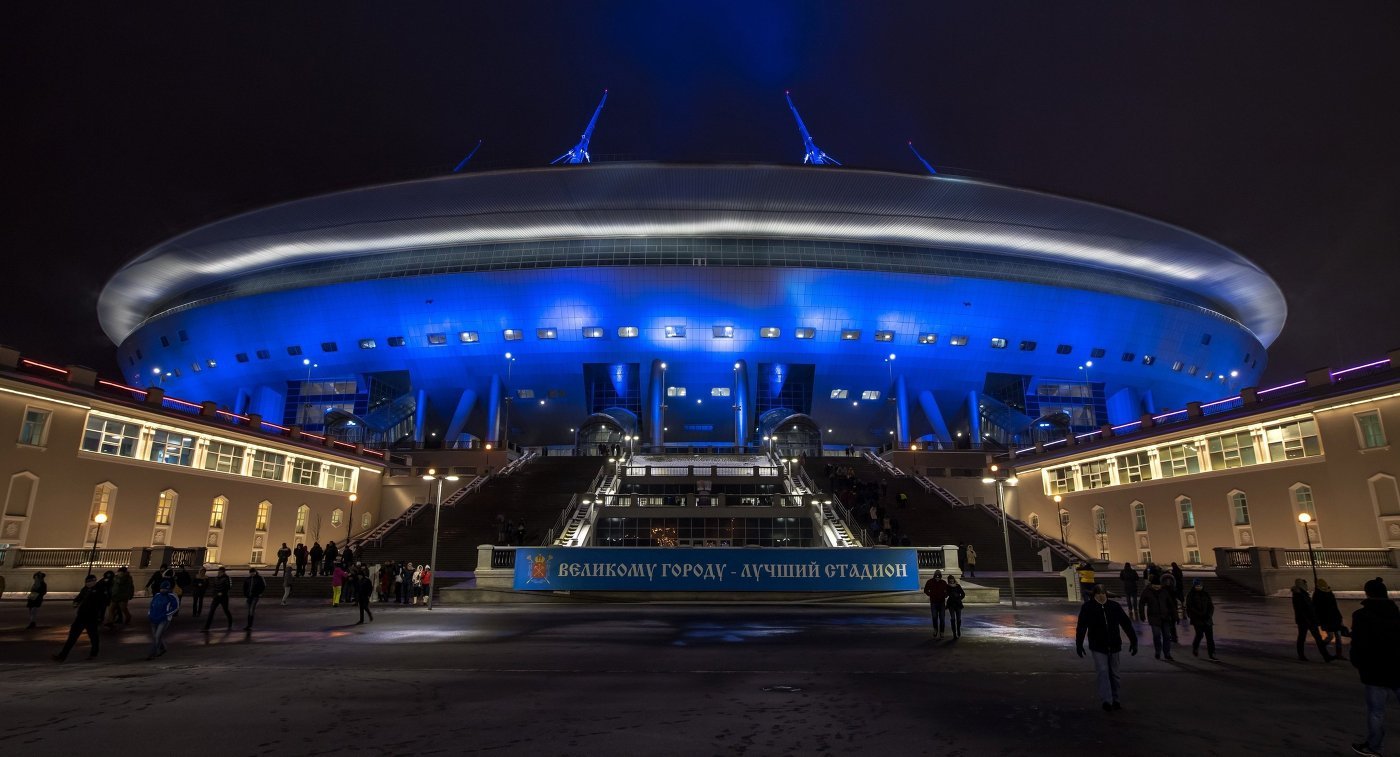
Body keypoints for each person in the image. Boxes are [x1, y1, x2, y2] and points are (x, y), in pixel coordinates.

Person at [1349, 577, 1400, 757]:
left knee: (1376, 713)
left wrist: (1358, 662)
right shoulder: (1396, 614)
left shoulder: (1361, 616)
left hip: (1375, 672)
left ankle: (1374, 747)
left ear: (1368, 593)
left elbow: (1358, 645)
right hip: (1397, 669)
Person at [1076, 583, 1138, 711]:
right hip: (1097, 645)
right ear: (1094, 595)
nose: (1101, 596)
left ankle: (1115, 699)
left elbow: (1126, 624)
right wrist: (1079, 643)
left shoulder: (1114, 607)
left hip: (1114, 645)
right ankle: (1107, 700)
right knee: (1103, 671)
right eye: (1098, 593)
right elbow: (1082, 626)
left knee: (1114, 674)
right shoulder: (1088, 607)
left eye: (1103, 593)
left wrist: (1133, 640)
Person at [53, 575, 107, 662]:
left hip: (91, 617)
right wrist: (76, 602)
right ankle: (62, 656)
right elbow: (79, 598)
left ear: (94, 581)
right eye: (87, 582)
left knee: (93, 637)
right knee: (72, 637)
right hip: (81, 616)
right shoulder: (85, 589)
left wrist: (100, 617)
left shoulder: (99, 590)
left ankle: (94, 654)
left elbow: (103, 604)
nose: (89, 583)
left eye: (90, 581)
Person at [1293, 578, 1334, 662]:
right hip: (1304, 621)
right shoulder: (1298, 595)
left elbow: (1309, 608)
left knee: (1317, 638)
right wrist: (1308, 619)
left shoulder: (1303, 594)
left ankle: (1326, 656)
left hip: (1310, 620)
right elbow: (1301, 610)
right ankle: (1302, 655)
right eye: (1305, 584)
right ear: (1301, 585)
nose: (1306, 586)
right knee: (1302, 638)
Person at [1139, 575, 1178, 660]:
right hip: (1154, 617)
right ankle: (1158, 651)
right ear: (1152, 585)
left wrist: (1175, 616)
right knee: (1157, 635)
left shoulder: (1164, 591)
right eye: (1155, 585)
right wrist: (1142, 614)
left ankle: (1167, 653)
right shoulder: (1147, 591)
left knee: (1167, 636)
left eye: (1158, 585)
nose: (1157, 587)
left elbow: (1171, 604)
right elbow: (1141, 603)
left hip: (1165, 617)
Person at [1184, 579, 1219, 660]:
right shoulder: (1191, 595)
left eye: (1200, 586)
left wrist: (1209, 615)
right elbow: (1190, 607)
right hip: (1197, 619)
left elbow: (1211, 606)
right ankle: (1195, 647)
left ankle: (1212, 653)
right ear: (1194, 586)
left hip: (1207, 619)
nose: (1199, 587)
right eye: (1197, 586)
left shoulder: (1206, 594)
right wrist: (1196, 615)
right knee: (1199, 635)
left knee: (1210, 637)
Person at [1314, 578, 1346, 661]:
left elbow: (1334, 606)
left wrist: (1339, 617)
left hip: (1333, 618)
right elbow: (1318, 609)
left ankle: (1338, 654)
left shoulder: (1324, 593)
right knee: (1332, 636)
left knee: (1337, 636)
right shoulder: (1319, 594)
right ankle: (1322, 647)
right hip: (1328, 619)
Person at [146, 580, 179, 660]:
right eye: (161, 588)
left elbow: (176, 607)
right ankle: (162, 649)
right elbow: (152, 605)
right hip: (154, 618)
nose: (162, 590)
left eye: (164, 588)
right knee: (156, 636)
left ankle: (153, 653)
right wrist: (150, 613)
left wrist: (167, 614)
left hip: (164, 619)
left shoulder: (172, 596)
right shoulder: (157, 595)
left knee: (157, 636)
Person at [203, 567, 233, 631]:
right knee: (211, 611)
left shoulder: (227, 578)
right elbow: (213, 586)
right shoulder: (216, 578)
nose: (219, 573)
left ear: (223, 572)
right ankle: (206, 627)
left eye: (220, 572)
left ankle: (230, 623)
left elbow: (228, 587)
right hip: (216, 597)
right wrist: (214, 594)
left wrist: (222, 593)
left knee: (226, 610)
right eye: (219, 571)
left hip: (223, 597)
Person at [922, 570, 950, 638]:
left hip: (941, 603)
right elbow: (925, 590)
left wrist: (945, 595)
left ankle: (942, 632)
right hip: (934, 603)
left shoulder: (943, 582)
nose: (937, 578)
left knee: (942, 618)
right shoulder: (930, 582)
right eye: (936, 577)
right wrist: (930, 594)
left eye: (939, 577)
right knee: (934, 617)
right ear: (934, 576)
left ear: (940, 577)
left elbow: (947, 591)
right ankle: (935, 630)